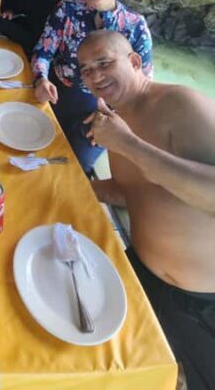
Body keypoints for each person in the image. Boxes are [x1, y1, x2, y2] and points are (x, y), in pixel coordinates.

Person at [80, 30, 215, 390]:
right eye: (86, 70)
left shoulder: (181, 105)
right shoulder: (115, 120)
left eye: (104, 63)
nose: (94, 76)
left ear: (135, 62)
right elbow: (135, 192)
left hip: (205, 301)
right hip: (143, 280)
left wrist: (127, 144)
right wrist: (78, 189)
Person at [31, 0, 153, 173]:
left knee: (73, 166)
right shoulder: (66, 10)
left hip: (101, 110)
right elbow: (43, 51)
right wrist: (40, 79)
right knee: (30, 143)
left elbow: (143, 84)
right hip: (57, 92)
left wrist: (115, 118)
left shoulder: (135, 26)